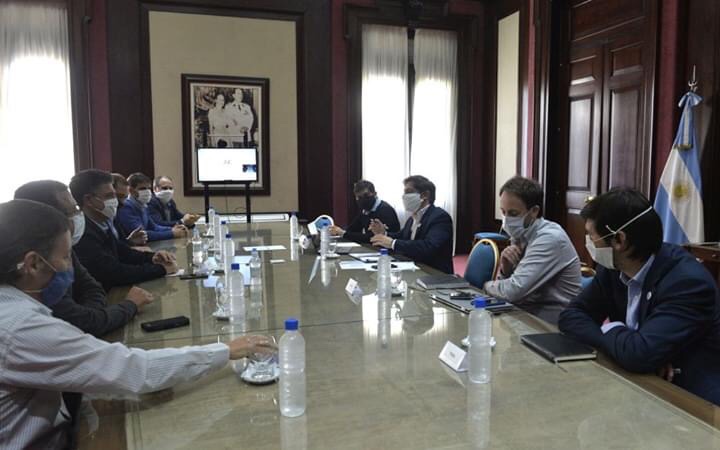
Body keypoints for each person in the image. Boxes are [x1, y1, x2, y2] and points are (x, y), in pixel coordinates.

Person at [0, 199, 275, 449]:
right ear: (33, 264)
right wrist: (226, 350)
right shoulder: (20, 328)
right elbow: (132, 370)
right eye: (65, 257)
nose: (70, 267)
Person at [558, 188, 720, 405]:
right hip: (635, 381)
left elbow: (639, 354)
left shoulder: (687, 283)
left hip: (690, 399)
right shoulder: (613, 268)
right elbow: (570, 316)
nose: (588, 242)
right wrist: (633, 348)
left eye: (592, 235)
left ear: (619, 240)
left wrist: (614, 331)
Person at [14, 180, 153, 338]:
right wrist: (130, 305)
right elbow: (83, 322)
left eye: (77, 209)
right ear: (46, 218)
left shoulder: (66, 248)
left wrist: (91, 316)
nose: (78, 216)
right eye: (71, 211)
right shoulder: (35, 268)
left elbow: (93, 288)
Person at [483, 176, 581, 324]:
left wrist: (485, 286)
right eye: (503, 212)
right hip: (524, 312)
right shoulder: (521, 234)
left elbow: (512, 291)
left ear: (534, 211)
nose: (506, 220)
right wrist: (506, 270)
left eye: (513, 213)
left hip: (553, 323)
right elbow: (507, 291)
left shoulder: (549, 238)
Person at [70, 169, 178, 290]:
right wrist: (161, 269)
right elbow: (114, 272)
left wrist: (152, 257)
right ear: (89, 200)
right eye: (109, 196)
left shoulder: (102, 223)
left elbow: (123, 252)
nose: (116, 201)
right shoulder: (83, 232)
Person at [370, 175, 454, 274]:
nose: (404, 197)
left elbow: (429, 247)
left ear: (425, 195)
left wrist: (393, 243)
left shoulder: (440, 217)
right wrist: (384, 234)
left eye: (408, 192)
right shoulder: (413, 217)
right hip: (414, 268)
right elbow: (402, 237)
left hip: (434, 273)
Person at [117, 172, 187, 242]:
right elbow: (142, 234)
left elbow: (154, 227)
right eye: (143, 188)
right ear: (131, 191)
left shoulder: (143, 205)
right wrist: (171, 233)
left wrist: (173, 229)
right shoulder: (126, 207)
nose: (147, 191)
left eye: (148, 188)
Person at [329, 180, 400, 244]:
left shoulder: (385, 210)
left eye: (366, 196)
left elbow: (372, 237)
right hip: (373, 247)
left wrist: (343, 233)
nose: (363, 200)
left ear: (375, 194)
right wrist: (338, 231)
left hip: (388, 249)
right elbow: (353, 229)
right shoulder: (365, 210)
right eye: (359, 197)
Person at [112, 172, 147, 246]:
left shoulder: (114, 218)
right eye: (119, 196)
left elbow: (116, 246)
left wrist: (130, 242)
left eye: (125, 197)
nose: (122, 203)